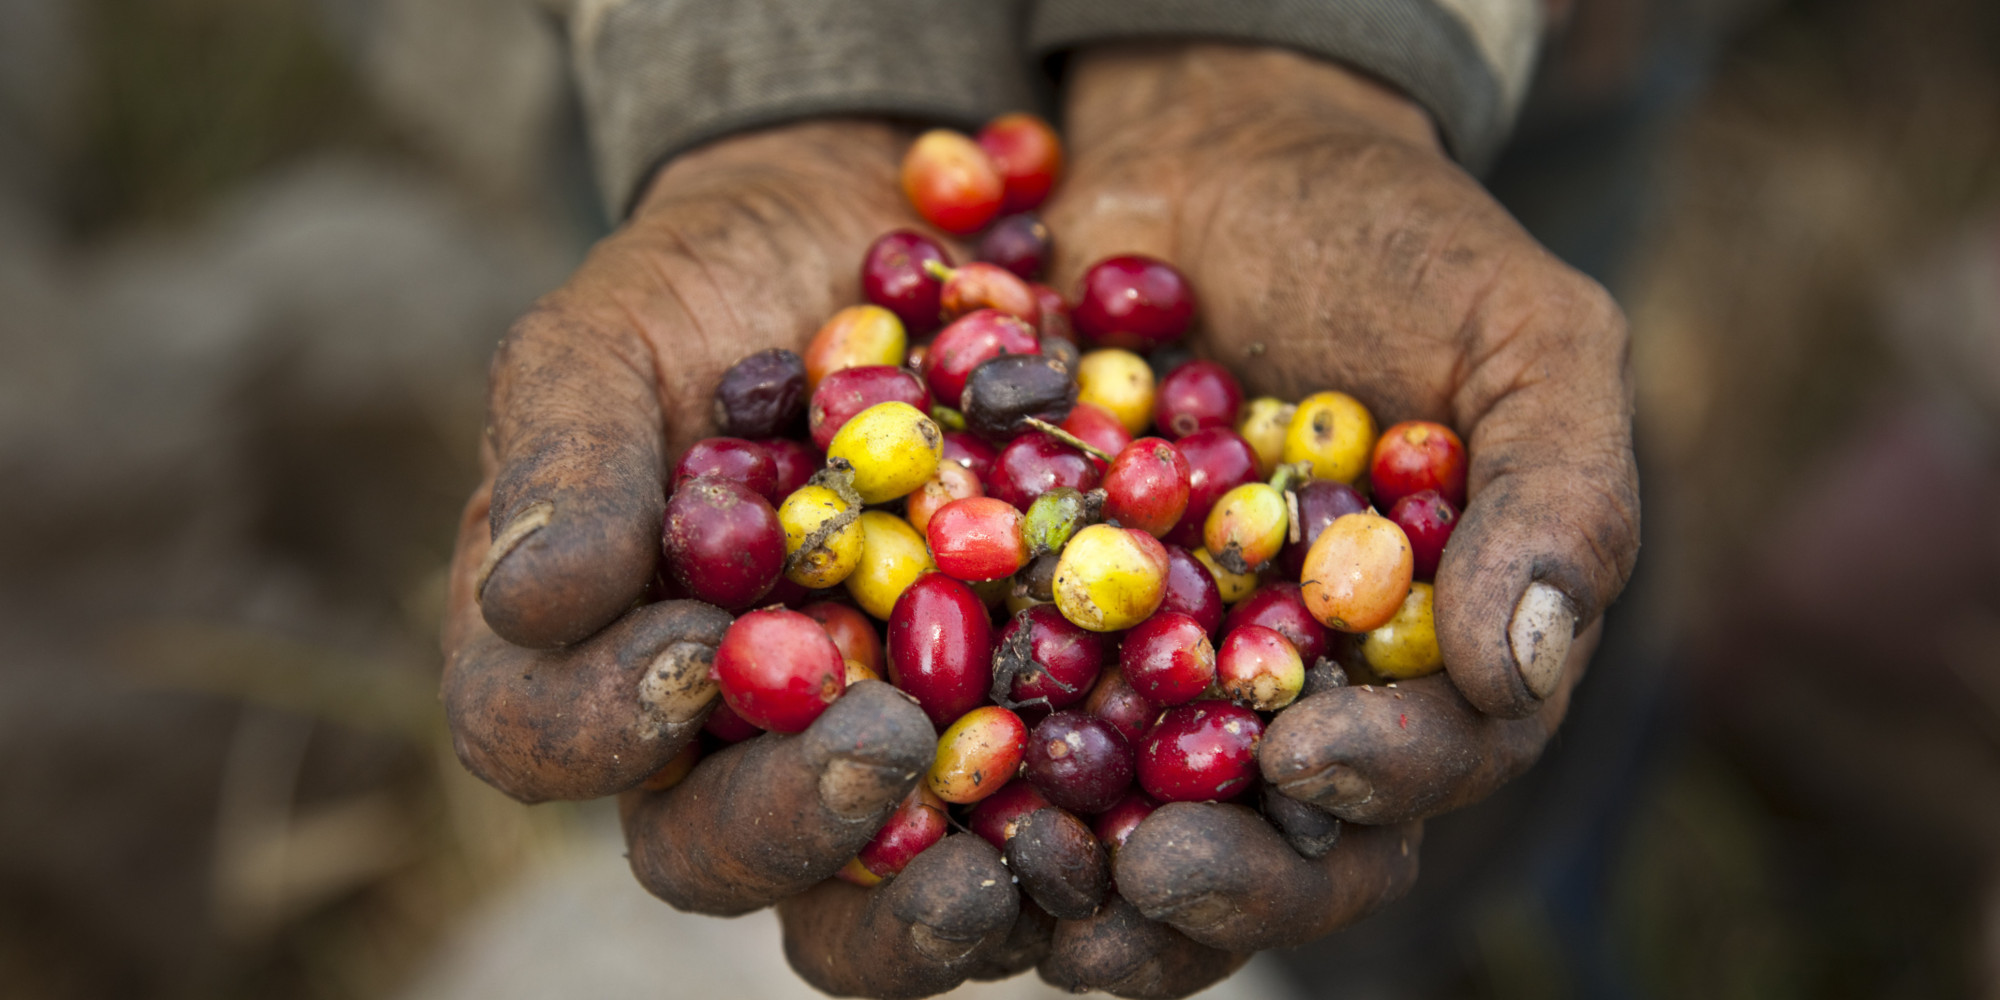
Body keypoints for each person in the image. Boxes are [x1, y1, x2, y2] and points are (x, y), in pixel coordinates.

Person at [439, 3, 1642, 996]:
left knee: (1472, 692)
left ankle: (1491, 932)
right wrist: (771, 73)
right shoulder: (967, 502)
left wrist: (1297, 48)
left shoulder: (1088, 513)